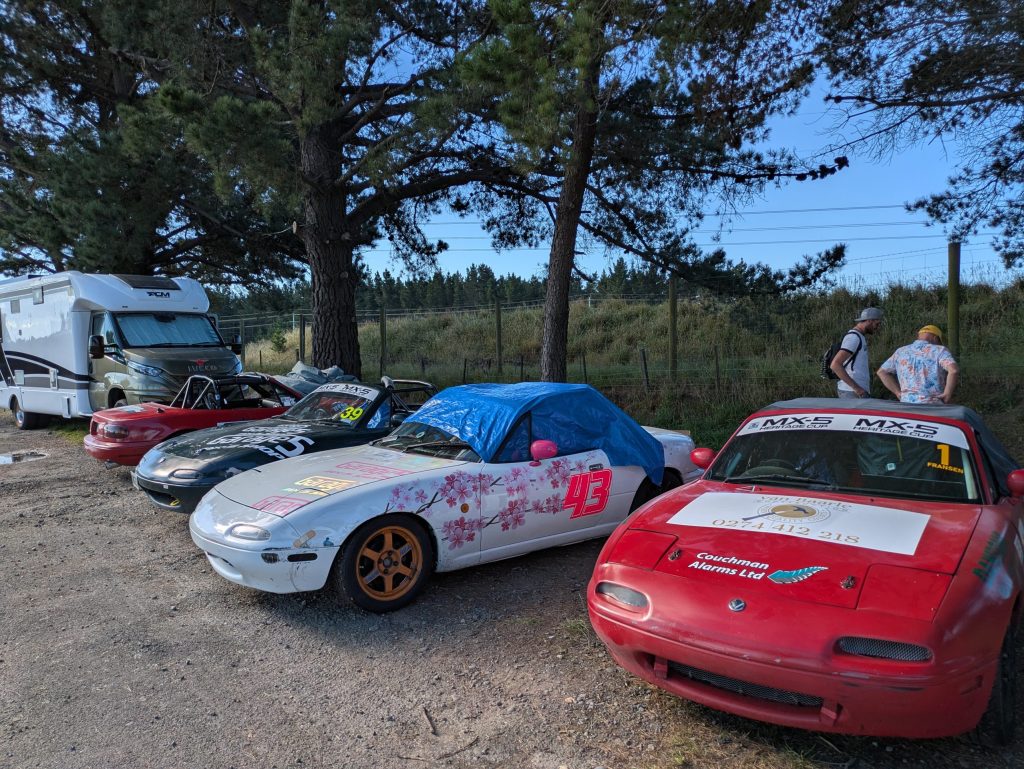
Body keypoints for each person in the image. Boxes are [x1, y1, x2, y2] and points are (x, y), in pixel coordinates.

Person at [876, 324, 959, 404]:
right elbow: (953, 370)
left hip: (906, 403)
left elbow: (881, 372)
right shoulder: (939, 350)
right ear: (935, 338)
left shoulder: (900, 351)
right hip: (932, 404)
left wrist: (897, 392)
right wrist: (947, 393)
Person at [831, 307, 884, 398]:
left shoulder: (859, 336)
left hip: (854, 391)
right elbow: (835, 365)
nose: (877, 327)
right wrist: (858, 389)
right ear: (870, 321)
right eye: (877, 324)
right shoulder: (853, 337)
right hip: (851, 391)